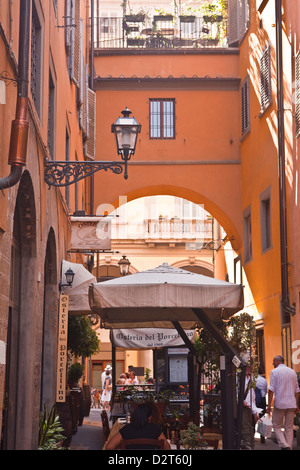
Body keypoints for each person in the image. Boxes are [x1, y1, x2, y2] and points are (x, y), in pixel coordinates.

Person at [267, 355, 300, 450]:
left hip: (280, 403)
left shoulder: (274, 372)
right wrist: (296, 404)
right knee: (289, 428)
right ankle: (289, 447)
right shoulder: (292, 372)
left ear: (278, 361)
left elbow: (271, 389)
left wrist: (269, 405)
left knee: (276, 426)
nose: (273, 363)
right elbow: (297, 390)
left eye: (273, 361)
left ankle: (284, 445)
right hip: (291, 403)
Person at [106, 403, 170, 450]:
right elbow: (167, 448)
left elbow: (109, 447)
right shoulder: (155, 429)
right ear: (150, 417)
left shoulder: (127, 429)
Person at [241, 365, 261, 450]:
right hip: (243, 406)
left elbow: (252, 396)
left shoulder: (250, 379)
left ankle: (249, 443)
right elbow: (234, 392)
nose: (247, 369)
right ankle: (247, 443)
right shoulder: (238, 378)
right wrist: (240, 401)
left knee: (249, 426)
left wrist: (255, 412)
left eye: (249, 367)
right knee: (245, 426)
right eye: (246, 367)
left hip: (250, 406)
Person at [255, 367, 268, 443]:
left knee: (252, 417)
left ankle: (251, 435)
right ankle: (262, 437)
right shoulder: (264, 380)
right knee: (262, 418)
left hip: (255, 400)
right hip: (262, 400)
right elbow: (265, 391)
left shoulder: (253, 379)